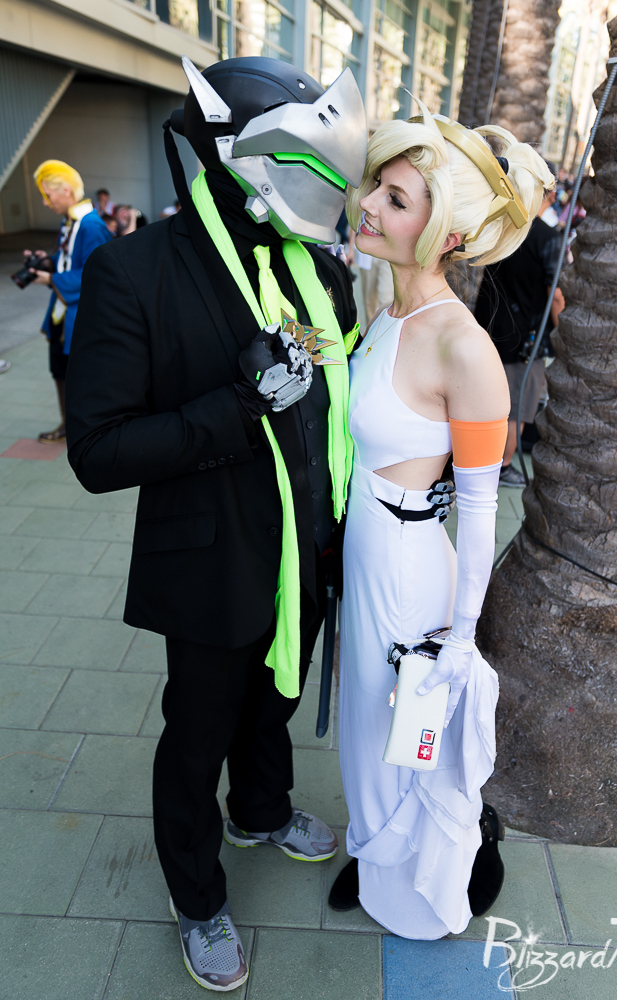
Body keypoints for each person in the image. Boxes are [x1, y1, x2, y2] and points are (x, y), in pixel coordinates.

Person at [65, 56, 369, 992]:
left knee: (273, 700)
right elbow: (98, 450)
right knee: (198, 733)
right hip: (210, 561)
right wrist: (237, 406)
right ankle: (196, 895)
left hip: (311, 545)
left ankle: (262, 809)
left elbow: (338, 386)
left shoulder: (319, 267)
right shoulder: (133, 271)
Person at [327, 108, 553, 938]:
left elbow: (483, 506)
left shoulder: (465, 347)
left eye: (396, 199)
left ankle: (423, 885)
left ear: (446, 234)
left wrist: (462, 636)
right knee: (365, 730)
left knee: (407, 732)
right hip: (361, 554)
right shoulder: (383, 312)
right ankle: (375, 854)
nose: (369, 206)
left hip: (410, 570)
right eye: (377, 189)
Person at [474, 187, 565, 487]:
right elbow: (556, 295)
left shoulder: (503, 226)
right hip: (525, 340)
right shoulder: (548, 238)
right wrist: (563, 338)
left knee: (485, 401)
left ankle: (482, 461)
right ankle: (502, 467)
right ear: (548, 193)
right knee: (516, 409)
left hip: (488, 328)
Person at [27, 161, 113, 443]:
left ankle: (82, 430)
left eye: (47, 195)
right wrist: (45, 261)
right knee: (61, 372)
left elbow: (95, 274)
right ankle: (69, 426)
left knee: (78, 377)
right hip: (62, 316)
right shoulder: (72, 221)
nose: (45, 202)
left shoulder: (90, 226)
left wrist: (51, 280)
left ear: (66, 190)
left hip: (78, 318)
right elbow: (68, 261)